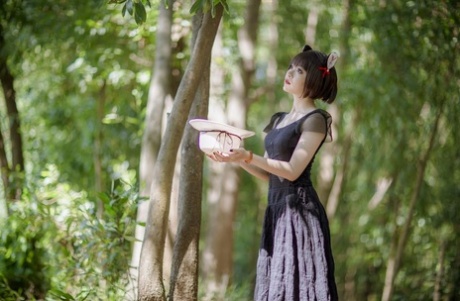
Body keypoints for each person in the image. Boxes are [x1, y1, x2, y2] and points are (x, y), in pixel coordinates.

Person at [211, 45, 339, 301]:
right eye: (290, 67)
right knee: (277, 285)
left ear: (313, 79)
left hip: (300, 212)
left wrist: (248, 155)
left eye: (299, 70)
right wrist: (237, 158)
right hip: (277, 210)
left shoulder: (315, 119)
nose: (290, 72)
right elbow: (271, 174)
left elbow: (292, 172)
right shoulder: (279, 119)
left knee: (300, 287)